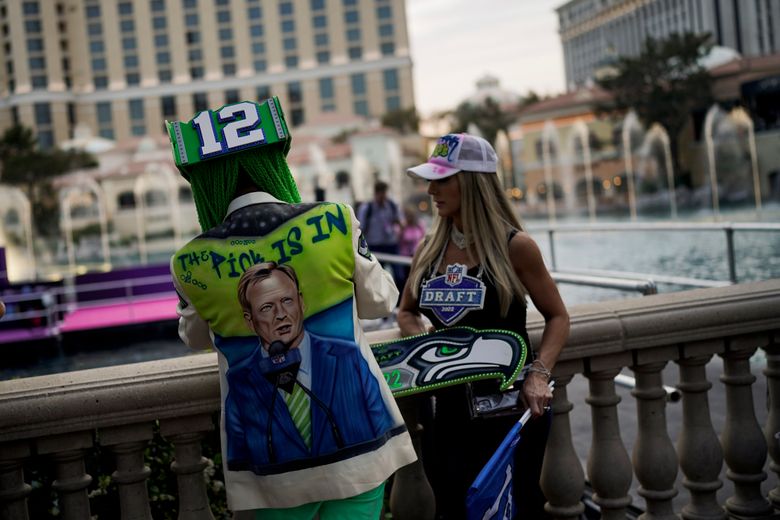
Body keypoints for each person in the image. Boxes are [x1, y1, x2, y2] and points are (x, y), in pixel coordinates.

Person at [168, 97, 416, 518]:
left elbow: (195, 339)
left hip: (268, 477)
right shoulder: (336, 219)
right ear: (275, 165)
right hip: (362, 453)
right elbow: (381, 302)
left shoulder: (188, 260)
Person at [397, 133, 570, 519]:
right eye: (431, 180)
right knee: (454, 506)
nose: (430, 189)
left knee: (517, 508)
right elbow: (406, 310)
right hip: (448, 412)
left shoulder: (515, 247)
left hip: (510, 412)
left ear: (472, 183)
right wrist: (426, 349)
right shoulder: (428, 249)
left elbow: (558, 316)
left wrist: (539, 376)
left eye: (442, 179)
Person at [225, 262, 395, 471]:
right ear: (250, 321)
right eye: (267, 307)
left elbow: (382, 429)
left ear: (301, 302)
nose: (281, 314)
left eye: (287, 300)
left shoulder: (347, 358)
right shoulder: (240, 381)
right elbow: (240, 463)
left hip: (357, 484)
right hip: (280, 498)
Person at [357, 180, 403, 281]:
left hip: (391, 245)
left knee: (399, 276)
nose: (383, 196)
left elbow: (400, 222)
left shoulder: (391, 206)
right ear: (375, 193)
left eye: (384, 193)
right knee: (376, 277)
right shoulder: (366, 209)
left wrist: (399, 233)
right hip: (375, 246)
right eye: (380, 193)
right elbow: (360, 229)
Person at [396, 205, 426, 290]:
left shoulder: (420, 225)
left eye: (410, 215)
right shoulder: (402, 227)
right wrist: (402, 228)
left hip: (417, 256)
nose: (409, 217)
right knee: (405, 279)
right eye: (407, 215)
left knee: (417, 278)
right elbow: (397, 240)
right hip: (404, 257)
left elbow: (424, 239)